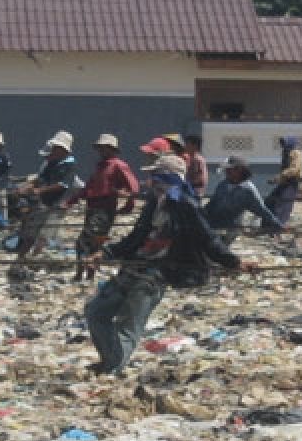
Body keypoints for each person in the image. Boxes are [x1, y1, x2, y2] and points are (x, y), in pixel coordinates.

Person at [83, 154, 241, 376]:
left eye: (156, 177)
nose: (151, 181)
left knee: (128, 326)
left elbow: (208, 238)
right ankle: (111, 361)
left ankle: (111, 369)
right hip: (133, 267)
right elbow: (136, 237)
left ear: (168, 178)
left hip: (157, 274)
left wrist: (234, 262)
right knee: (95, 312)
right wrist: (105, 253)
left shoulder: (186, 205)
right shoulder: (154, 203)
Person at [68, 133, 139, 281]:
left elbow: (133, 187)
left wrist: (129, 204)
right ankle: (85, 275)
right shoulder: (100, 166)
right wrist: (71, 201)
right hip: (93, 208)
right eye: (99, 148)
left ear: (111, 149)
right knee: (93, 242)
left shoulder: (118, 165)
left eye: (103, 148)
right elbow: (89, 187)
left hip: (104, 210)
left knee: (86, 240)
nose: (100, 151)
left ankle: (84, 274)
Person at [13, 131, 78, 259]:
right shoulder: (51, 163)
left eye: (56, 148)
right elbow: (40, 179)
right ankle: (21, 259)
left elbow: (62, 185)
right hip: (43, 203)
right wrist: (24, 188)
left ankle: (33, 259)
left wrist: (40, 190)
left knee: (44, 234)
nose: (53, 150)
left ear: (62, 149)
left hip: (57, 203)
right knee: (31, 233)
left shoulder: (70, 165)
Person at [204, 156, 284, 241]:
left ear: (239, 170)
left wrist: (278, 225)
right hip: (212, 226)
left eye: (229, 169)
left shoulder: (248, 190)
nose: (226, 172)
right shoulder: (222, 185)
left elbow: (262, 210)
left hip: (230, 229)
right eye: (226, 170)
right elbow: (212, 204)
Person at [265, 137, 302, 230]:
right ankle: (267, 227)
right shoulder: (285, 152)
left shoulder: (296, 153)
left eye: (285, 143)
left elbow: (294, 170)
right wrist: (278, 179)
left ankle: (278, 229)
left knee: (283, 205)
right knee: (269, 201)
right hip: (284, 182)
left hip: (292, 182)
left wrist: (278, 177)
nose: (283, 145)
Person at [184, 134, 209, 199]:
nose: (185, 146)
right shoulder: (190, 158)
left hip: (194, 192)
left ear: (195, 146)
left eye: (187, 144)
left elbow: (200, 179)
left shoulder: (197, 160)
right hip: (190, 191)